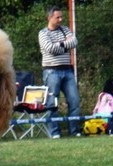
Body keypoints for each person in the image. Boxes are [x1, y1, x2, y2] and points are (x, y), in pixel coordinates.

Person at [38, 5, 81, 138]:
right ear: (50, 18)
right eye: (58, 17)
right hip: (51, 72)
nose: (61, 19)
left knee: (74, 100)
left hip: (67, 71)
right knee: (51, 103)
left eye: (61, 17)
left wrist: (60, 45)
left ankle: (75, 131)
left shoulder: (65, 30)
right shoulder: (43, 33)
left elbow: (74, 41)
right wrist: (64, 44)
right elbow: (50, 48)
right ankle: (55, 132)